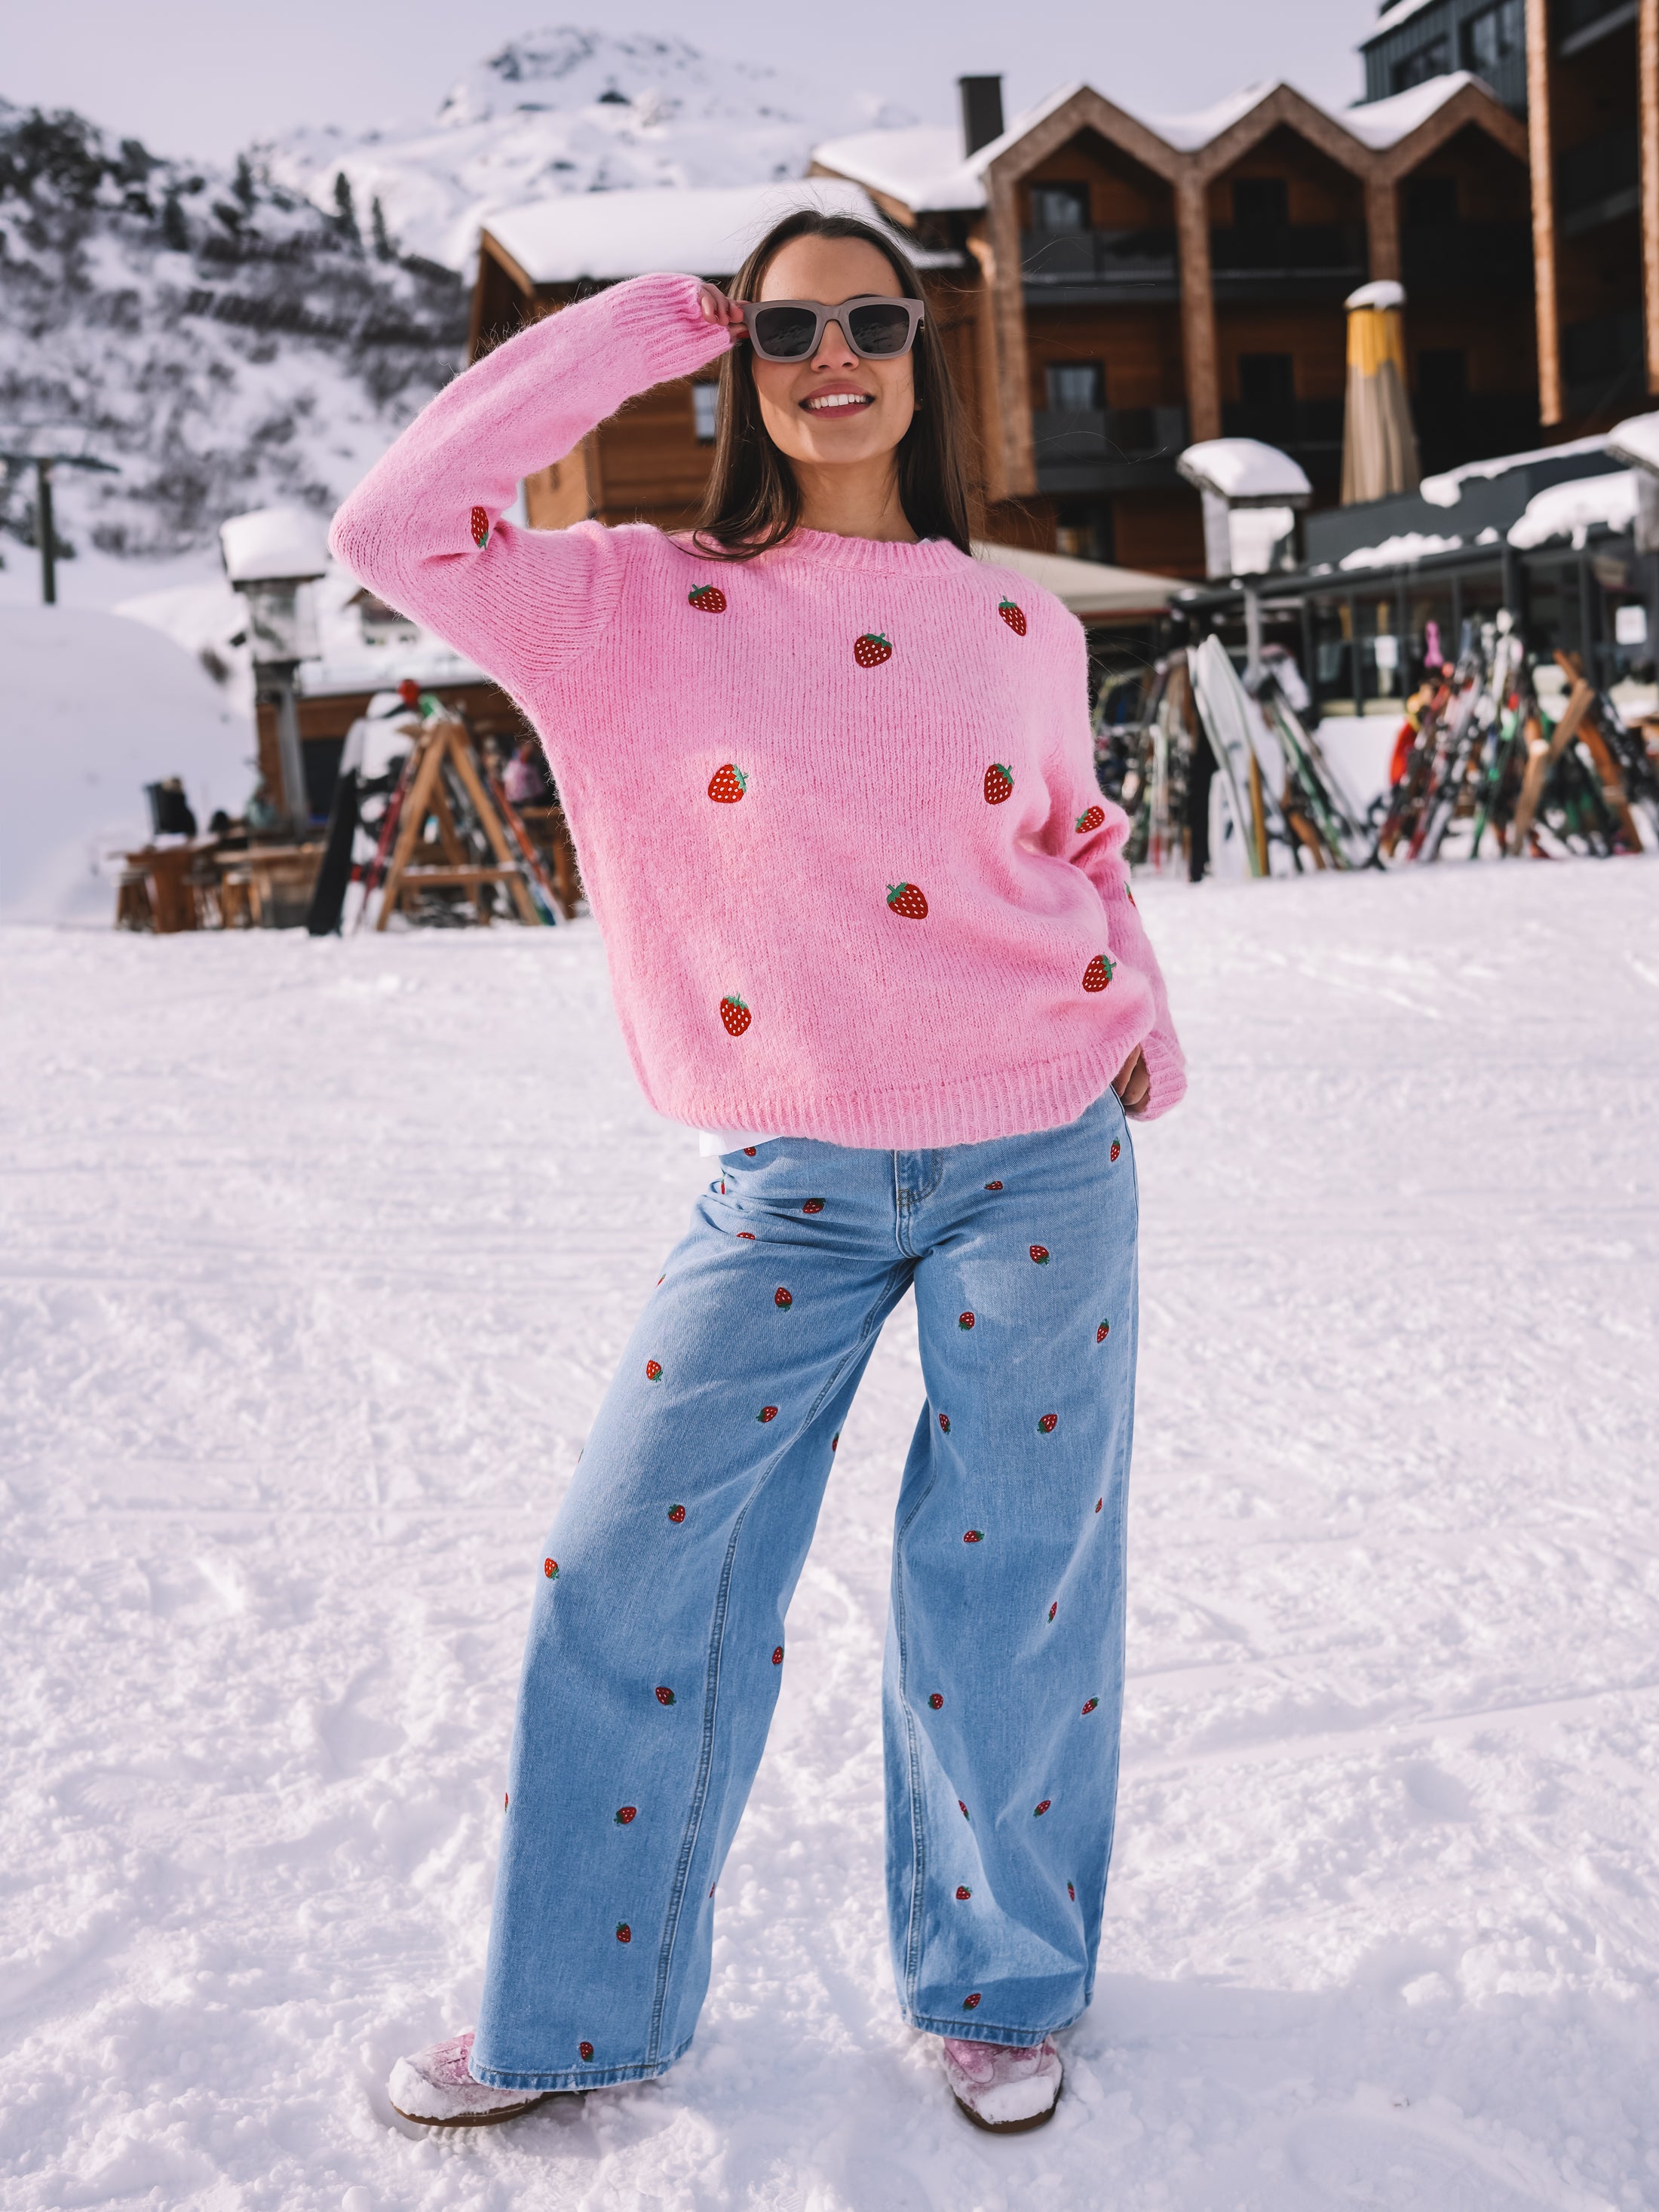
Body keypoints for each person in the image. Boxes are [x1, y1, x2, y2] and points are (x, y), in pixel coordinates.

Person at [330, 209, 1185, 2137]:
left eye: (869, 321)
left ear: (917, 355)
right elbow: (391, 529)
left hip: (1038, 1156)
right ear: (740, 357)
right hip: (789, 1172)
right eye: (785, 328)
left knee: (1011, 1576)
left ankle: (998, 1984)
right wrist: (648, 321)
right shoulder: (627, 602)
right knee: (628, 1562)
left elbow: (1076, 839)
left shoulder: (1022, 625)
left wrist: (1138, 1008)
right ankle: (576, 2015)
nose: (831, 357)